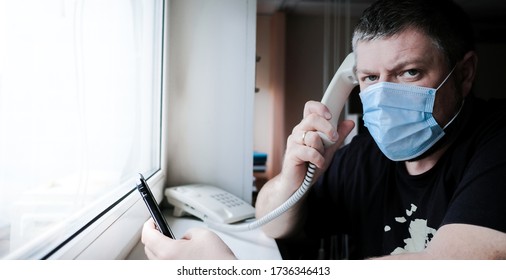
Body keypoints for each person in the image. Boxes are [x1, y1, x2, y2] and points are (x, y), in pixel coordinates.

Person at [141, 0, 506, 259]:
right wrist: (294, 173)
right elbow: (274, 225)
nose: (383, 93)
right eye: (369, 78)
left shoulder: (496, 143)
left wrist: (227, 274)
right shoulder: (364, 155)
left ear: (464, 74)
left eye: (408, 72)